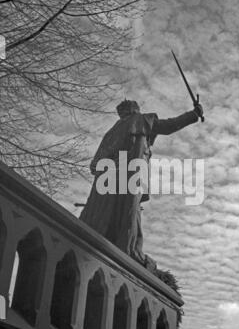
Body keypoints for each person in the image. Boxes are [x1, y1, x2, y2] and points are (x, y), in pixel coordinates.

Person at [80, 100, 204, 266]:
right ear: (135, 109)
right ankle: (129, 250)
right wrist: (194, 114)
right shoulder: (141, 120)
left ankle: (114, 244)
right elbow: (169, 126)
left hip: (107, 178)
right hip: (127, 174)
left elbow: (95, 163)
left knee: (114, 212)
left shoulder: (111, 133)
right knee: (129, 211)